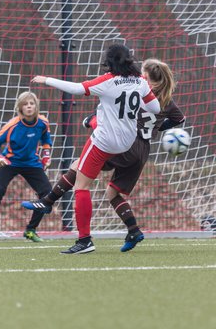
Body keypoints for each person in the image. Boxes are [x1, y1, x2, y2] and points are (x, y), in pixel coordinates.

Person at [22, 58, 185, 252]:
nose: (140, 75)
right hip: (142, 150)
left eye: (143, 73)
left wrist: (91, 121)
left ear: (148, 77)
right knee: (112, 193)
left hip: (127, 143)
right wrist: (156, 129)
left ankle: (48, 202)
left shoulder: (139, 90)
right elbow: (179, 118)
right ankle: (133, 230)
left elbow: (117, 114)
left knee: (79, 167)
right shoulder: (166, 98)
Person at [0, 91, 52, 243]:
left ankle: (31, 230)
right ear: (20, 108)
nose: (29, 106)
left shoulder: (43, 123)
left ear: (36, 106)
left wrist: (46, 155)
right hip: (10, 162)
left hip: (31, 163)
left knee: (47, 193)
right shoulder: (13, 124)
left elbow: (46, 140)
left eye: (32, 103)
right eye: (25, 104)